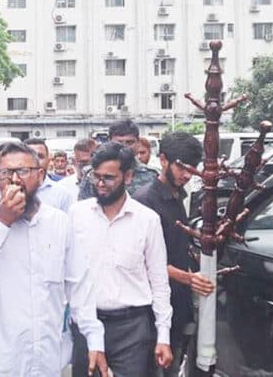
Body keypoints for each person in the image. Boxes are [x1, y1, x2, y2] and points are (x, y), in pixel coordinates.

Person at [0, 142, 107, 376]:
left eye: (23, 171)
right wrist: (3, 222)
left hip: (46, 361)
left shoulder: (58, 221)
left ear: (40, 175)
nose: (14, 180)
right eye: (6, 172)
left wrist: (94, 339)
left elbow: (79, 285)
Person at [70, 142, 173, 376]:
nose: (100, 184)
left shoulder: (147, 220)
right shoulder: (77, 215)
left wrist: (163, 336)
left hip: (132, 330)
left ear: (128, 177)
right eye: (96, 176)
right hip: (86, 323)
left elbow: (159, 281)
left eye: (108, 178)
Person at [133, 132, 214, 376]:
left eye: (192, 168)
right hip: (151, 312)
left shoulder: (179, 196)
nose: (187, 175)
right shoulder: (145, 201)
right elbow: (142, 261)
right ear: (163, 160)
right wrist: (188, 278)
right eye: (181, 167)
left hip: (177, 305)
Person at [78, 120, 158, 200]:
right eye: (119, 142)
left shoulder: (150, 175)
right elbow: (83, 204)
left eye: (130, 142)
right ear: (109, 142)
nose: (125, 147)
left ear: (138, 143)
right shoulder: (93, 174)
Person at [24, 138, 74, 212]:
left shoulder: (62, 194)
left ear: (48, 160)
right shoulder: (10, 193)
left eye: (40, 156)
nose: (35, 161)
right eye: (30, 156)